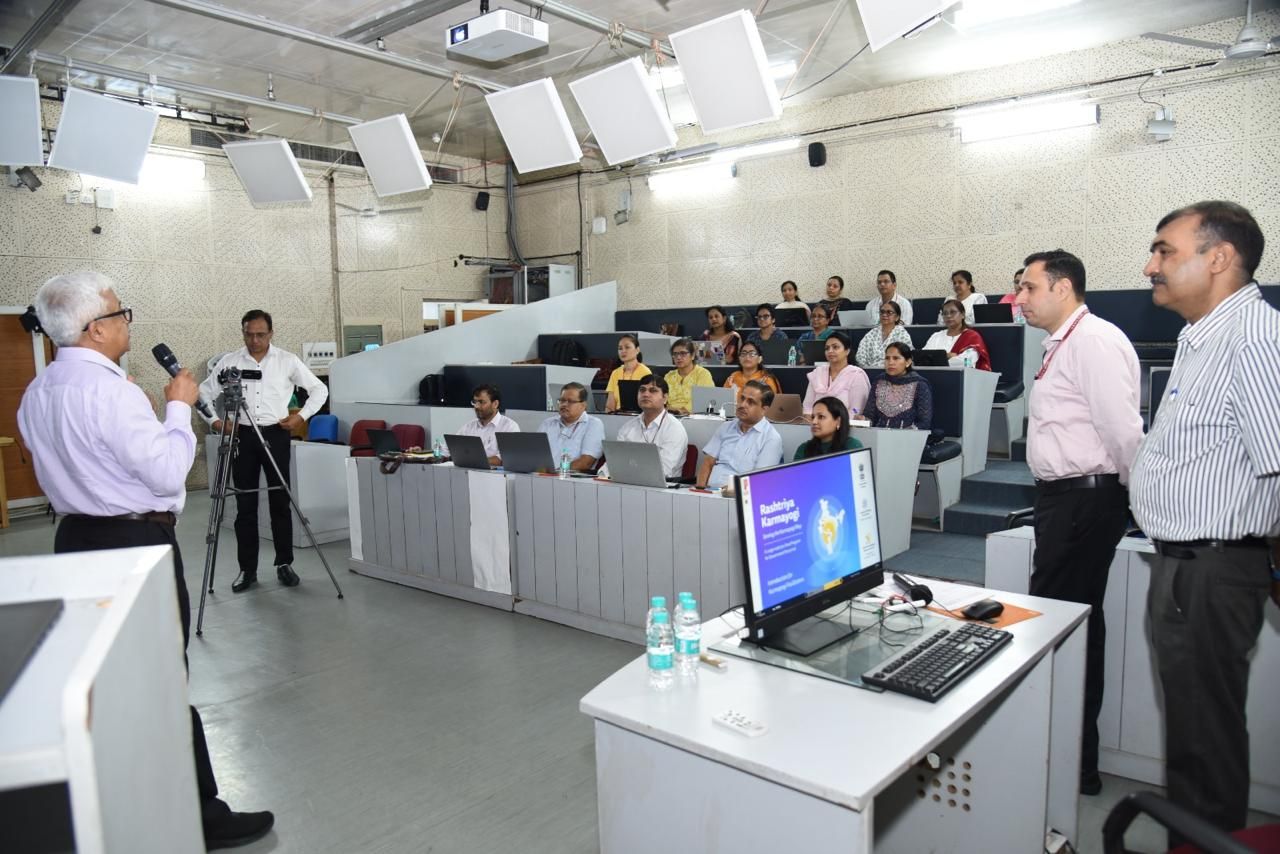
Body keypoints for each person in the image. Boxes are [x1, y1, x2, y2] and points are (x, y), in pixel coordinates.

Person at [16, 272, 274, 849]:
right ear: (96, 328)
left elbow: (42, 458)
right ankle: (201, 815)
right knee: (162, 677)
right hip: (132, 548)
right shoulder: (112, 392)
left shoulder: (38, 392)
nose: (126, 320)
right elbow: (163, 472)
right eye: (119, 311)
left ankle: (113, 798)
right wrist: (178, 409)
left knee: (98, 680)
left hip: (74, 541)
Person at [1128, 201, 1280, 842]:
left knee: (1205, 747)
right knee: (1192, 742)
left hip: (1215, 569)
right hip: (1187, 565)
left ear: (1218, 259)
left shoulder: (1253, 339)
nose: (1150, 266)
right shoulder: (1206, 335)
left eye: (1165, 251)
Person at [1015, 249, 1144, 797]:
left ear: (1063, 288)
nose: (1019, 299)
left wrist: (1141, 499)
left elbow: (1123, 432)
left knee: (1060, 628)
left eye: (1028, 288)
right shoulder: (1063, 343)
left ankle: (1066, 763)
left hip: (1084, 502)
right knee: (1073, 627)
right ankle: (1073, 760)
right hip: (1066, 502)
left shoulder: (1093, 340)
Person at [200, 309, 328, 594]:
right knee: (244, 506)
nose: (254, 340)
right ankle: (247, 570)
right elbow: (202, 394)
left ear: (271, 333)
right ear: (243, 333)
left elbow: (319, 390)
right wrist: (217, 422)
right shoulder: (229, 362)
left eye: (260, 334)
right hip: (242, 436)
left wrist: (301, 417)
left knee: (279, 501)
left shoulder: (287, 361)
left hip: (275, 433)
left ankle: (284, 564)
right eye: (249, 334)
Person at [695, 380, 783, 492]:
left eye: (751, 402)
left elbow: (759, 481)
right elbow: (707, 463)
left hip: (740, 499)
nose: (742, 405)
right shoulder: (725, 427)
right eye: (742, 398)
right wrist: (700, 491)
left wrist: (727, 493)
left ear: (764, 410)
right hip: (710, 493)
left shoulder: (771, 438)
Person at [606, 375, 689, 479]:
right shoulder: (628, 427)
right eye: (642, 390)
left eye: (653, 391)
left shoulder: (674, 429)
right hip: (627, 482)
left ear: (665, 397)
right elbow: (614, 461)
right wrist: (602, 476)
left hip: (662, 489)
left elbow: (665, 470)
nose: (646, 394)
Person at [862, 342, 933, 430]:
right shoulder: (879, 381)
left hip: (908, 438)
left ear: (908, 362)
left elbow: (924, 422)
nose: (890, 362)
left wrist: (902, 434)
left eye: (896, 358)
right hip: (878, 437)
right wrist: (863, 420)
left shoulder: (920, 385)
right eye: (887, 358)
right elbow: (870, 416)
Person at [539, 381, 605, 473]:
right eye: (562, 400)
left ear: (583, 405)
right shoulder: (548, 423)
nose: (564, 404)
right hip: (542, 476)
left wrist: (556, 472)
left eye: (570, 401)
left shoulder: (593, 424)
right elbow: (536, 455)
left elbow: (586, 462)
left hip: (573, 480)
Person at [802, 331, 870, 417]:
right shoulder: (818, 373)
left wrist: (833, 424)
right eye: (827, 348)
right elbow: (807, 408)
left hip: (844, 427)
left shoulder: (856, 375)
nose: (830, 351)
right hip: (816, 426)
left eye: (835, 347)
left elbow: (856, 410)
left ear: (847, 351)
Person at [456, 383, 520, 466]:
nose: (477, 406)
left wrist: (476, 461)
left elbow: (507, 457)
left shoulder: (509, 426)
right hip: (468, 473)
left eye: (481, 402)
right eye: (475, 402)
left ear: (495, 404)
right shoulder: (469, 427)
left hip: (497, 477)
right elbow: (450, 448)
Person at [924, 299, 992, 370]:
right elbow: (923, 358)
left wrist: (938, 359)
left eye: (953, 312)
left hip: (961, 377)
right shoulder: (936, 336)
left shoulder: (972, 337)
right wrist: (947, 356)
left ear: (962, 315)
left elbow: (967, 363)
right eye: (945, 313)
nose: (948, 316)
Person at [794, 396, 862, 460]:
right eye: (813, 417)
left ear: (838, 421)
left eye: (821, 417)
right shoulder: (803, 449)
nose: (814, 422)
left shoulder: (853, 446)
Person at [855, 299, 913, 368]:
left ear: (897, 317)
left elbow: (904, 358)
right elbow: (860, 356)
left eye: (889, 312)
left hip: (894, 372)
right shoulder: (871, 333)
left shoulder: (902, 334)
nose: (885, 315)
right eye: (882, 312)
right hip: (869, 371)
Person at [663, 337, 714, 415]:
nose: (678, 357)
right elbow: (661, 398)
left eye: (683, 353)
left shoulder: (703, 374)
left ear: (693, 355)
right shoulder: (669, 376)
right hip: (669, 415)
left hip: (694, 416)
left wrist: (681, 411)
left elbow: (702, 399)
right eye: (675, 354)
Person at [604, 333, 652, 413]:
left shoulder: (645, 372)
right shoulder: (615, 373)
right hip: (617, 416)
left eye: (627, 347)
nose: (623, 351)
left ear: (637, 350)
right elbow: (610, 405)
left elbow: (648, 403)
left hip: (639, 416)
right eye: (620, 348)